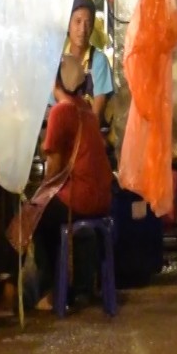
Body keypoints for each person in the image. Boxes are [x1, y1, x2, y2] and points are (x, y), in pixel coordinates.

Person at [34, 55, 114, 310]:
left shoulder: (61, 111)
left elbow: (54, 170)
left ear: (55, 81)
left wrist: (36, 195)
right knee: (52, 215)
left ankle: (52, 290)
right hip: (104, 196)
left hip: (83, 197)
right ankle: (79, 287)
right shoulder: (87, 111)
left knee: (39, 216)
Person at [56, 0, 114, 123]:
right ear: (68, 25)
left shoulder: (99, 61)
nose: (82, 29)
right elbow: (50, 110)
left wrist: (59, 94)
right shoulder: (57, 61)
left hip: (89, 133)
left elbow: (96, 116)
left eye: (87, 23)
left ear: (92, 27)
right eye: (77, 21)